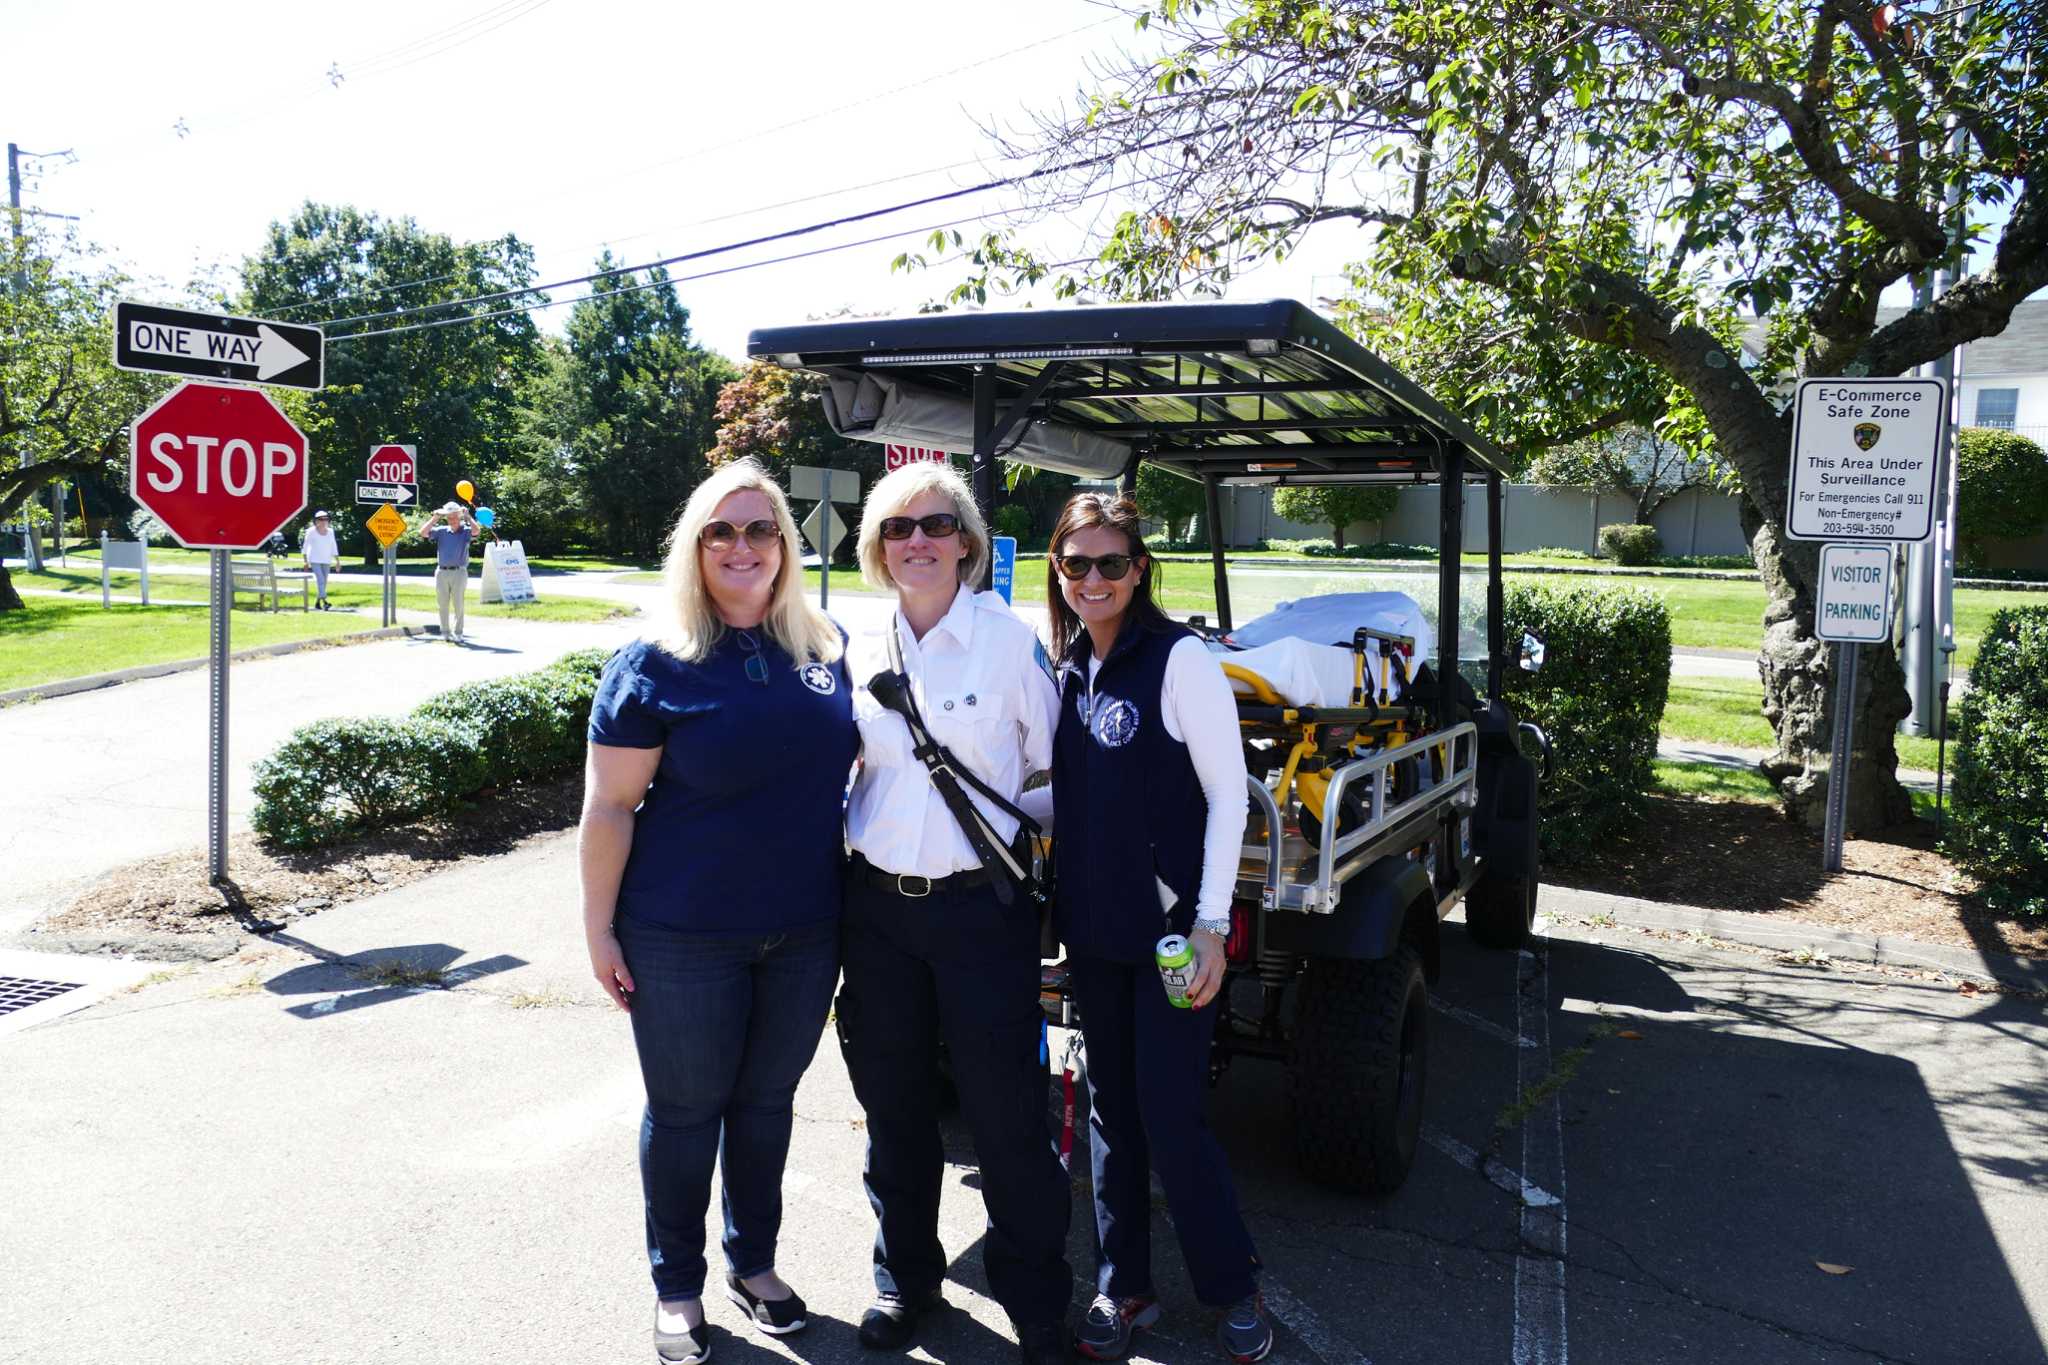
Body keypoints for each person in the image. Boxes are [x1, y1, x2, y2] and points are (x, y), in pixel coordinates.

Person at [580, 458, 857, 1365]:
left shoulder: (827, 649)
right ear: (694, 548)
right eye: (721, 531)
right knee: (690, 1108)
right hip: (682, 935)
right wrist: (599, 927)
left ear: (787, 544)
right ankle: (677, 1285)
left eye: (761, 528)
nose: (743, 546)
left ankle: (755, 1264)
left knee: (768, 1104)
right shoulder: (654, 662)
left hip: (807, 929)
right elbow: (611, 807)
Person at [836, 462, 1072, 1365]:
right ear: (878, 548)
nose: (918, 541)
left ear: (968, 543)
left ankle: (1036, 1295)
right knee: (893, 1109)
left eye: (936, 525)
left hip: (982, 915)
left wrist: (1018, 849)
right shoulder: (855, 645)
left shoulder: (1009, 645)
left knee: (1006, 1112)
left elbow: (1057, 776)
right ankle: (906, 1279)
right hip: (880, 913)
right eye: (898, 529)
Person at [1042, 493, 1272, 1364]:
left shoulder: (1181, 661)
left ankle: (1233, 1286)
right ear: (1058, 572)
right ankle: (1123, 1283)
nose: (1092, 579)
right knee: (1111, 1113)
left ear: (1140, 568)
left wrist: (1213, 923)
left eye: (1110, 562)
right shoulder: (1071, 668)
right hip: (1097, 936)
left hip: (1175, 937)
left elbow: (1228, 800)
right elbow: (1073, 795)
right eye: (1075, 563)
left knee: (1171, 1114)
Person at [420, 502, 474, 642]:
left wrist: (468, 516)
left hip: (459, 571)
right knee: (442, 604)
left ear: (459, 517)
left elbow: (476, 531)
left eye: (455, 516)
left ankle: (458, 632)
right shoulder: (441, 530)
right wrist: (434, 518)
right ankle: (445, 632)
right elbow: (423, 533)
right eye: (449, 517)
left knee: (458, 604)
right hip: (442, 572)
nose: (452, 520)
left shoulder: (465, 530)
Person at [301, 511, 338, 610]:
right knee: (321, 580)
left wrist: (337, 561)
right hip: (314, 559)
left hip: (326, 559)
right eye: (321, 519)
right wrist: (305, 561)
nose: (324, 521)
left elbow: (333, 546)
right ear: (316, 521)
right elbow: (305, 546)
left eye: (326, 519)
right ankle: (325, 602)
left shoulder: (330, 531)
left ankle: (317, 603)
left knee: (323, 582)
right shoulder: (311, 531)